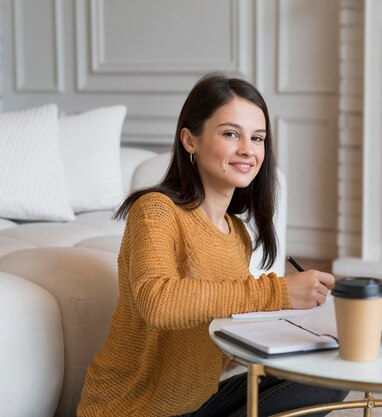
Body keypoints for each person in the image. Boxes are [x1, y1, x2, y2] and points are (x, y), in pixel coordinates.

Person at [76, 73, 348, 417]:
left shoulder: (237, 233)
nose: (248, 149)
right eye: (231, 134)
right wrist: (278, 292)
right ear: (190, 140)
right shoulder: (157, 211)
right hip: (135, 408)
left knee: (331, 375)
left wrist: (296, 329)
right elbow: (158, 302)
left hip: (199, 402)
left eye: (258, 138)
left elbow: (217, 319)